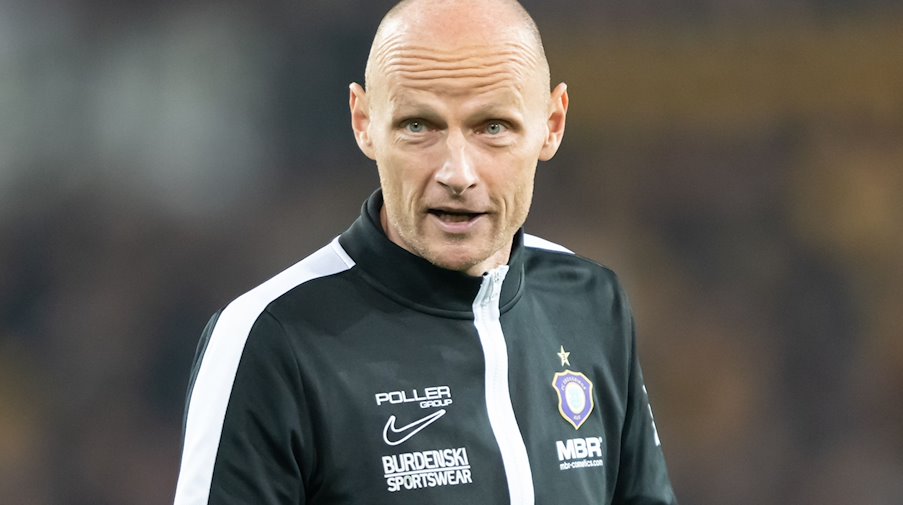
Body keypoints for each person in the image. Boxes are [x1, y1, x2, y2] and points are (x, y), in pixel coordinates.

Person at [173, 0, 677, 503]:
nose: (457, 174)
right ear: (364, 122)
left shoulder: (592, 303)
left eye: (493, 127)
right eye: (419, 125)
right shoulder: (269, 339)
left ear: (553, 124)